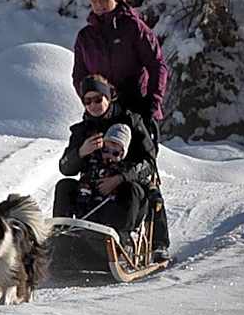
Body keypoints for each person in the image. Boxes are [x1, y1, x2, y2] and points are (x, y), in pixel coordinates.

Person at [53, 75, 169, 260]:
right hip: (91, 187)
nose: (93, 105)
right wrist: (81, 153)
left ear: (109, 97)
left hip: (126, 187)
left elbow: (149, 161)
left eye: (98, 99)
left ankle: (122, 243)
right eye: (87, 101)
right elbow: (65, 168)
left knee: (131, 190)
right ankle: (62, 241)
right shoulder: (82, 130)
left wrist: (120, 177)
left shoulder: (132, 121)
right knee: (64, 185)